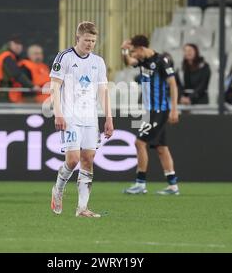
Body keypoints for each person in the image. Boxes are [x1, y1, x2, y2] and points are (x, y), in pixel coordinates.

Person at [50, 21, 113, 217]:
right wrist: (58, 113)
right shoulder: (64, 57)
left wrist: (109, 118)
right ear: (78, 38)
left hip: (90, 118)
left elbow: (104, 91)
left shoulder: (98, 62)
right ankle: (58, 189)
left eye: (93, 41)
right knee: (73, 160)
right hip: (70, 116)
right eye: (87, 40)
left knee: (88, 160)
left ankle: (82, 208)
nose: (90, 44)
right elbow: (54, 87)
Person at [120, 35, 180, 195]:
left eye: (133, 51)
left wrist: (174, 109)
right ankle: (173, 186)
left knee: (139, 143)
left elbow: (173, 85)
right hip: (150, 111)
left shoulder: (161, 61)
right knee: (161, 148)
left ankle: (140, 183)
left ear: (140, 48)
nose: (133, 55)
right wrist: (124, 50)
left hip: (159, 110)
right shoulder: (143, 61)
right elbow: (128, 62)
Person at [0, 35, 37, 103]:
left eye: (20, 44)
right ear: (9, 44)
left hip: (2, 93)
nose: (18, 46)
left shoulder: (9, 56)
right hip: (1, 94)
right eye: (15, 43)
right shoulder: (7, 57)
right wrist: (32, 86)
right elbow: (16, 74)